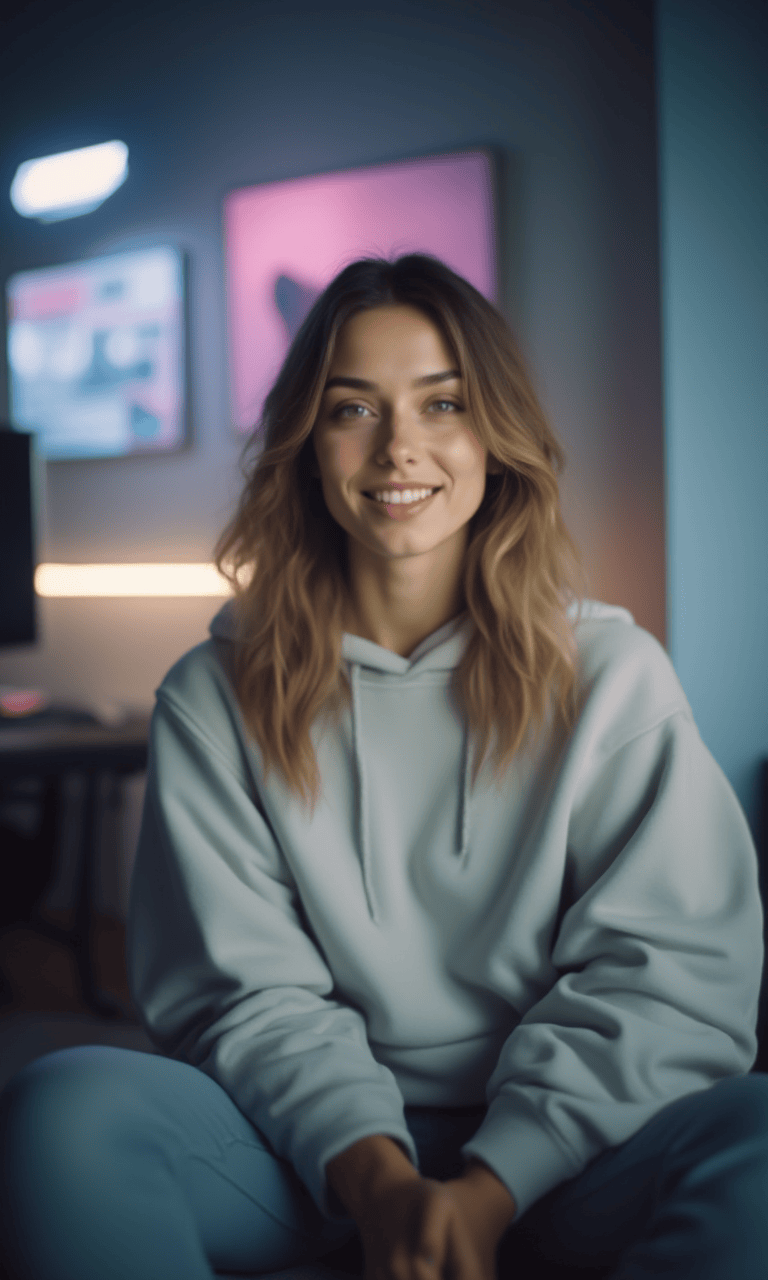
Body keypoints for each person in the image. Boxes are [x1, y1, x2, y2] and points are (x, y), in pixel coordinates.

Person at [1, 254, 766, 1280]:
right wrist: (382, 1183)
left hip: (582, 1151)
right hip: (300, 1150)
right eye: (352, 408)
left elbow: (669, 977)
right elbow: (243, 991)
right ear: (306, 447)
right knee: (64, 1104)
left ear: (496, 437)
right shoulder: (213, 694)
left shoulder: (613, 676)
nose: (400, 445)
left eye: (443, 402)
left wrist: (493, 1185)